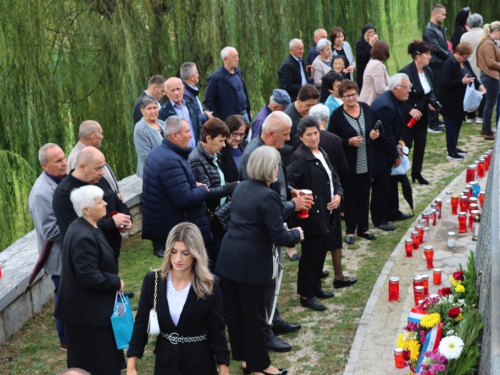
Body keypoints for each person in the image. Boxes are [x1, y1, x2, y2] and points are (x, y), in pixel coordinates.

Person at [216, 146, 303, 375]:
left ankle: (247, 361)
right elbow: (279, 235)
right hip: (251, 264)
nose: (277, 170)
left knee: (237, 314)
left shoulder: (241, 188)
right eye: (276, 166)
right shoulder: (268, 195)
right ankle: (262, 366)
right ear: (269, 168)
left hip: (229, 259)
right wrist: (297, 234)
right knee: (255, 317)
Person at [239, 112, 310, 352]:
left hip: (274, 226)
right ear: (271, 134)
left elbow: (277, 182)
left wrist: (290, 191)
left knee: (274, 276)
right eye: (286, 134)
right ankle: (265, 330)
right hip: (262, 234)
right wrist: (293, 206)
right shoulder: (254, 155)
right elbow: (261, 200)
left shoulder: (271, 149)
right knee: (266, 282)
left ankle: (274, 318)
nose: (289, 139)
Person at [127, 223, 230, 375]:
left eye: (185, 253)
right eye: (173, 252)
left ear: (196, 254)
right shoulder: (153, 280)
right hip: (165, 363)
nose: (178, 258)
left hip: (199, 364)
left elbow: (217, 329)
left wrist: (224, 369)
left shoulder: (209, 285)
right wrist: (131, 364)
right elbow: (141, 324)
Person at [55, 185, 125, 375]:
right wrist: (115, 281)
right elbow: (88, 276)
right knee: (97, 365)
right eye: (99, 201)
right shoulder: (83, 235)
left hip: (87, 312)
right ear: (85, 209)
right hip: (87, 317)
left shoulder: (84, 226)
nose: (105, 204)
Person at [287, 117, 343, 311]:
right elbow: (288, 183)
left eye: (315, 133)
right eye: (309, 134)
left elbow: (334, 176)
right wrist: (296, 195)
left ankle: (316, 287)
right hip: (311, 215)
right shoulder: (300, 157)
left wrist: (338, 195)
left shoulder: (322, 152)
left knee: (321, 252)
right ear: (301, 137)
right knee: (310, 256)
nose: (313, 137)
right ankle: (306, 294)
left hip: (327, 212)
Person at [141, 116, 210, 258]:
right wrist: (202, 189)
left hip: (164, 227)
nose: (191, 135)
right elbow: (184, 199)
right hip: (175, 231)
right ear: (175, 136)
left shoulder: (159, 152)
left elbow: (171, 187)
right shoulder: (170, 161)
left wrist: (191, 185)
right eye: (187, 131)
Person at [307, 104, 357, 289]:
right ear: (326, 120)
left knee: (315, 238)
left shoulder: (301, 140)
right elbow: (343, 168)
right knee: (334, 238)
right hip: (331, 196)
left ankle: (316, 273)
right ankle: (339, 275)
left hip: (310, 196)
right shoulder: (334, 139)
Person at [52, 147, 132, 258]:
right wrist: (112, 223)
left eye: (103, 167)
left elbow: (119, 204)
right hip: (88, 256)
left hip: (111, 253)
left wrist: (125, 221)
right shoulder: (64, 193)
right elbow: (75, 229)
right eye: (98, 168)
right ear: (82, 167)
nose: (102, 172)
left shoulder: (99, 180)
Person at [329, 80, 379, 244]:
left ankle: (363, 228)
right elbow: (332, 140)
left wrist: (374, 134)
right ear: (342, 97)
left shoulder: (365, 108)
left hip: (366, 161)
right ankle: (350, 231)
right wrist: (347, 142)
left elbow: (377, 127)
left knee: (365, 196)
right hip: (349, 165)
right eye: (347, 96)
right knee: (350, 198)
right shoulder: (337, 115)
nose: (351, 99)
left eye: (353, 94)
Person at [28, 143, 67, 350]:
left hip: (67, 253)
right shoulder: (42, 193)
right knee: (63, 297)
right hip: (59, 257)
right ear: (45, 165)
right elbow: (51, 232)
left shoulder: (60, 180)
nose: (64, 163)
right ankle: (66, 340)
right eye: (58, 161)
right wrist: (81, 224)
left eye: (64, 157)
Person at [188, 118, 238, 272]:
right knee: (215, 261)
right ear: (208, 139)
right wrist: (233, 186)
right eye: (221, 140)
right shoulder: (197, 160)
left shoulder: (213, 155)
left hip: (219, 215)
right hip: (210, 219)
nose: (224, 145)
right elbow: (206, 192)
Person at [370, 73, 414, 231]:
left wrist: (400, 142)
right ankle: (379, 218)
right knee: (381, 185)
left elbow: (395, 128)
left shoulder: (395, 100)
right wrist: (395, 156)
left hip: (389, 148)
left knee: (392, 182)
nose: (409, 90)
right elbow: (385, 135)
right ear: (395, 89)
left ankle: (393, 212)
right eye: (407, 87)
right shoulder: (385, 105)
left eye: (410, 87)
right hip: (380, 152)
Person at [399, 40, 438, 183]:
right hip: (408, 117)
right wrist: (409, 110)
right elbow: (398, 96)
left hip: (422, 116)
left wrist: (432, 103)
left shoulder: (428, 71)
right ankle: (399, 172)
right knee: (405, 145)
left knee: (421, 144)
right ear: (418, 56)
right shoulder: (406, 73)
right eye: (427, 54)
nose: (430, 57)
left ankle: (416, 172)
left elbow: (429, 92)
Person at [441, 42, 486, 160]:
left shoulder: (464, 63)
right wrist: (461, 82)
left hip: (462, 101)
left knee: (458, 124)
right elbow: (445, 83)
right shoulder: (449, 64)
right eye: (465, 56)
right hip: (450, 101)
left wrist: (479, 85)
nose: (466, 59)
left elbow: (472, 75)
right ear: (458, 54)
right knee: (451, 126)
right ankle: (450, 151)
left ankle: (454, 147)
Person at [67, 120, 122, 197]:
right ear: (94, 137)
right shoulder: (77, 158)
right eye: (101, 133)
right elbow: (84, 190)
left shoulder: (92, 152)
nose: (102, 137)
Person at [204, 46, 252, 121]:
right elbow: (208, 100)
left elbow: (244, 93)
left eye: (237, 56)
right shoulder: (216, 77)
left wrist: (248, 110)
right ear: (225, 59)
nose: (237, 59)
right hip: (229, 120)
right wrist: (217, 119)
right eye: (234, 57)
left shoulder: (238, 72)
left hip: (244, 115)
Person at [423, 4, 449, 133]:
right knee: (433, 92)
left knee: (439, 92)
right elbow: (435, 48)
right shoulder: (429, 30)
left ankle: (436, 118)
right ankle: (432, 123)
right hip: (434, 65)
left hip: (440, 64)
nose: (444, 17)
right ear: (435, 14)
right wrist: (450, 55)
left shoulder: (438, 29)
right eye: (443, 14)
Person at [159, 77, 202, 148]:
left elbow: (199, 126)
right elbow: (167, 138)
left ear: (183, 89)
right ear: (167, 93)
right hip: (179, 153)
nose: (176, 93)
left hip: (196, 151)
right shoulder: (164, 112)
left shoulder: (189, 105)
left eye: (178, 89)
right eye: (172, 90)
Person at [477, 21, 500, 140]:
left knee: (489, 103)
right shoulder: (488, 44)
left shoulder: (490, 43)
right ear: (496, 31)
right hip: (490, 76)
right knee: (490, 104)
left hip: (490, 75)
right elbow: (491, 62)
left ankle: (485, 128)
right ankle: (487, 132)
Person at [460, 13, 485, 124]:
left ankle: (470, 115)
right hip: (481, 66)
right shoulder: (484, 35)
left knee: (470, 90)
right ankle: (481, 115)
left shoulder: (465, 36)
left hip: (468, 66)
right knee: (483, 89)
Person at [134, 95, 166, 179]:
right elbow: (146, 156)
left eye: (155, 108)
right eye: (149, 108)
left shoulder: (162, 123)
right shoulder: (140, 129)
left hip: (167, 170)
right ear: (142, 111)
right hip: (152, 174)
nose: (153, 111)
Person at [359, 41, 391, 105]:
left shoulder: (372, 62)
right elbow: (380, 89)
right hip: (371, 102)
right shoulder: (376, 66)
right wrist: (394, 88)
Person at [220, 115, 249, 183]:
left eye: (242, 134)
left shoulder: (245, 144)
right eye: (235, 134)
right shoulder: (220, 150)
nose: (238, 138)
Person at [356, 23, 379, 91]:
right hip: (363, 71)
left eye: (373, 32)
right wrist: (370, 45)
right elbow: (362, 57)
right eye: (369, 32)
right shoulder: (359, 44)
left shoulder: (377, 43)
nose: (371, 34)